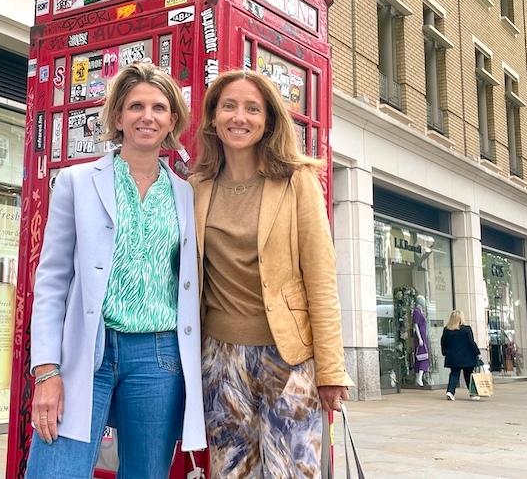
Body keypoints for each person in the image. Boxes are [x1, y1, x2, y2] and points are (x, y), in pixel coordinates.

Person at [26, 63, 206, 478]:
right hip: (89, 349)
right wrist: (46, 369)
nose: (147, 116)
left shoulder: (186, 194)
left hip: (159, 356)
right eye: (136, 106)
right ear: (119, 117)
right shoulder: (76, 181)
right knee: (56, 470)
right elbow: (52, 280)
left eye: (159, 108)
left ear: (172, 120)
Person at [191, 69, 353, 477]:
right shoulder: (197, 186)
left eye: (252, 109)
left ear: (268, 121)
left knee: (293, 471)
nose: (239, 117)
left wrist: (331, 370)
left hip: (289, 358)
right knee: (230, 470)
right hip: (218, 357)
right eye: (228, 106)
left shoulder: (297, 181)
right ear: (213, 117)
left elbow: (321, 279)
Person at [441, 309, 481, 401]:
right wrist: (477, 353)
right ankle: (473, 394)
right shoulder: (466, 329)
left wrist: (445, 352)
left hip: (453, 357)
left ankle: (450, 392)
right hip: (467, 357)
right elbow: (471, 342)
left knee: (454, 374)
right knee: (468, 375)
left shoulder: (447, 330)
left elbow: (443, 342)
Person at [412, 295, 430, 386]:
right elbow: (416, 325)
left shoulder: (420, 311)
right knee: (424, 356)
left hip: (423, 335)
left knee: (421, 356)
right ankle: (419, 378)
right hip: (421, 336)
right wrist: (420, 338)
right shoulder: (417, 311)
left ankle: (418, 378)